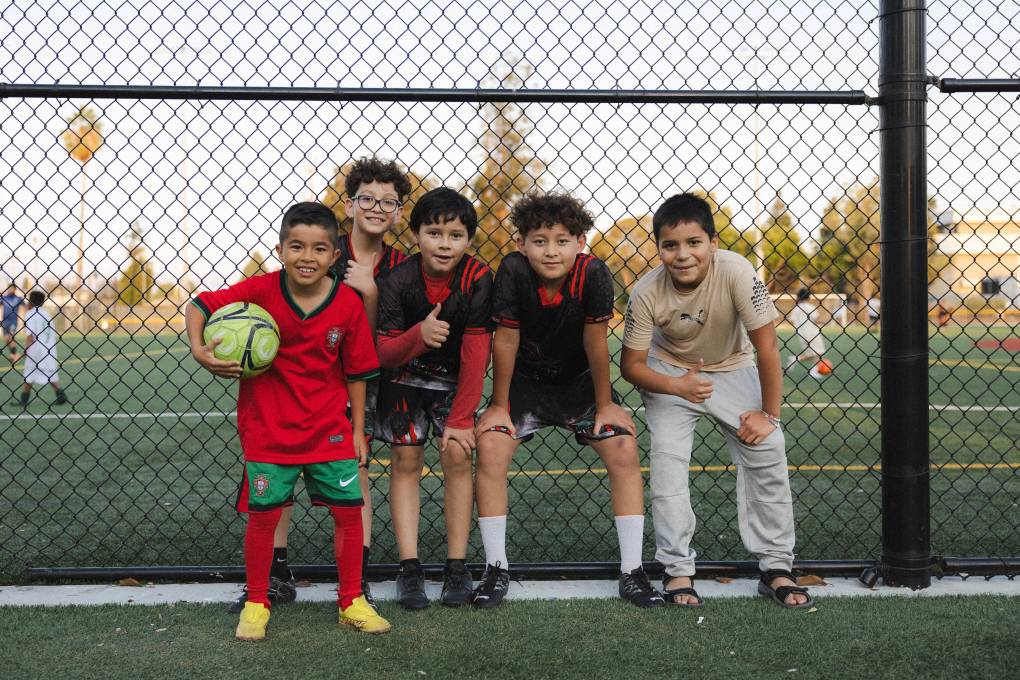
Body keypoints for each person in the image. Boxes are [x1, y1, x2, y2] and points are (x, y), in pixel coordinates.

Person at [187, 201, 391, 640]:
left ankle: (351, 600)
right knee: (264, 518)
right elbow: (199, 305)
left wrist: (357, 432)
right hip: (268, 428)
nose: (307, 257)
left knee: (348, 513)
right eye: (296, 246)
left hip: (329, 428)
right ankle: (257, 603)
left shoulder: (347, 305)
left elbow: (357, 373)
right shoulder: (260, 290)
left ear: (335, 256)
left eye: (319, 249)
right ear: (280, 249)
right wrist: (199, 349)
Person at [226, 157, 411, 614]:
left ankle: (356, 584)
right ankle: (276, 571)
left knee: (355, 477)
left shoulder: (403, 265)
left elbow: (369, 343)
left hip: (372, 377)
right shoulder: (326, 248)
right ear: (349, 205)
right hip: (304, 388)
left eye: (388, 201)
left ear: (399, 211)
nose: (376, 207)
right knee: (278, 476)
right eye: (367, 198)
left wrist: (370, 293)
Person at [620, 192, 813, 609]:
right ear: (658, 249)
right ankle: (677, 571)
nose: (683, 254)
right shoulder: (646, 292)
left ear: (713, 242)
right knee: (669, 463)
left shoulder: (738, 272)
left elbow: (768, 348)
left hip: (732, 363)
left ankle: (776, 567)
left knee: (769, 447)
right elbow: (631, 366)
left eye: (694, 243)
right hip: (670, 370)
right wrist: (676, 387)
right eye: (670, 245)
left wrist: (769, 415)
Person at [473, 193, 663, 609]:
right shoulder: (513, 269)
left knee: (623, 446)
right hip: (526, 385)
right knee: (489, 446)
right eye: (539, 240)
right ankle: (495, 567)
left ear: (581, 241)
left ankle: (632, 570)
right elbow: (505, 338)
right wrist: (499, 404)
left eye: (562, 240)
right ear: (521, 243)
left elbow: (596, 342)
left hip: (579, 385)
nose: (551, 250)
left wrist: (606, 403)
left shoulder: (593, 273)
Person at [373, 187, 493, 609]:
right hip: (404, 378)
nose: (445, 244)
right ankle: (409, 567)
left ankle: (456, 565)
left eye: (456, 235)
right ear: (416, 234)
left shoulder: (477, 280)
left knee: (459, 455)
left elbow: (478, 353)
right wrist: (418, 337)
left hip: (453, 385)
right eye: (434, 232)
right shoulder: (396, 280)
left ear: (469, 239)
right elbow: (384, 352)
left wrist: (462, 418)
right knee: (406, 460)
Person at [13, 290, 67, 408]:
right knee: (50, 373)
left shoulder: (31, 313)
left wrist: (24, 352)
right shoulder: (46, 314)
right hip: (49, 349)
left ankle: (24, 399)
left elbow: (30, 336)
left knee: (29, 373)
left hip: (36, 350)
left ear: (31, 301)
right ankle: (61, 395)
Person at [785, 287, 829, 378]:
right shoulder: (810, 307)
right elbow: (816, 319)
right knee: (818, 352)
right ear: (809, 297)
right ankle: (813, 371)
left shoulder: (796, 308)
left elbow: (791, 320)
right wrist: (824, 321)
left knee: (812, 353)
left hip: (801, 333)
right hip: (812, 332)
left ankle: (795, 359)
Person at [2, 284, 23, 362]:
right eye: (9, 288)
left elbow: (25, 308)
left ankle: (14, 356)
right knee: (6, 339)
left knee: (11, 337)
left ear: (15, 289)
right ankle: (14, 354)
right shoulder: (4, 298)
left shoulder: (18, 298)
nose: (10, 290)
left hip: (13, 321)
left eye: (12, 288)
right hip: (5, 321)